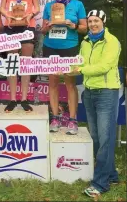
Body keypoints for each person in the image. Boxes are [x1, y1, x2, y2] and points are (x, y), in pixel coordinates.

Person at [73, 10, 121, 198]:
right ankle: (112, 175)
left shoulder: (112, 42)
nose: (93, 24)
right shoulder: (85, 41)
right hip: (89, 92)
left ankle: (100, 183)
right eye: (90, 21)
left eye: (97, 21)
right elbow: (80, 62)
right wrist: (67, 67)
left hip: (107, 93)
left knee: (105, 138)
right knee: (97, 137)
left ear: (104, 22)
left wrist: (80, 69)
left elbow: (104, 66)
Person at [41, 0, 87, 134]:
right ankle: (55, 117)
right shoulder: (49, 6)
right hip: (50, 46)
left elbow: (84, 28)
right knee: (53, 82)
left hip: (70, 47)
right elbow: (42, 30)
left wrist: (71, 25)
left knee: (70, 83)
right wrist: (48, 26)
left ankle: (72, 119)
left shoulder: (77, 4)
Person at [0, 0, 40, 112]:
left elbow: (36, 7)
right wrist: (7, 15)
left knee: (25, 63)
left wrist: (30, 15)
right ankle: (12, 98)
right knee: (12, 62)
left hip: (27, 25)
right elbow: (2, 7)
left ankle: (24, 98)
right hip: (11, 25)